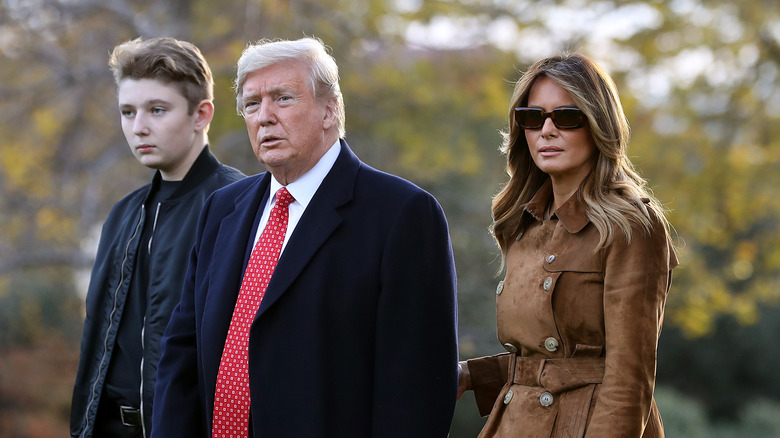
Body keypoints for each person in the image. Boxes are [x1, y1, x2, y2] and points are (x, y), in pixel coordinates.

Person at [151, 37, 458, 438]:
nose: (264, 116)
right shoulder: (222, 209)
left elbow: (416, 388)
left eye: (283, 98)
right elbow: (183, 354)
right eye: (252, 104)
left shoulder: (402, 214)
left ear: (330, 109)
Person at [457, 53, 678, 437]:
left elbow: (629, 379)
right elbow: (549, 358)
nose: (546, 130)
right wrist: (469, 374)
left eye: (566, 117)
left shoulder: (630, 225)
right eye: (532, 117)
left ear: (597, 124)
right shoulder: (522, 223)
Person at [70, 37, 245, 438]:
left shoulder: (240, 208)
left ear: (201, 114)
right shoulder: (123, 214)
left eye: (157, 110)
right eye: (127, 112)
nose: (139, 127)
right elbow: (96, 344)